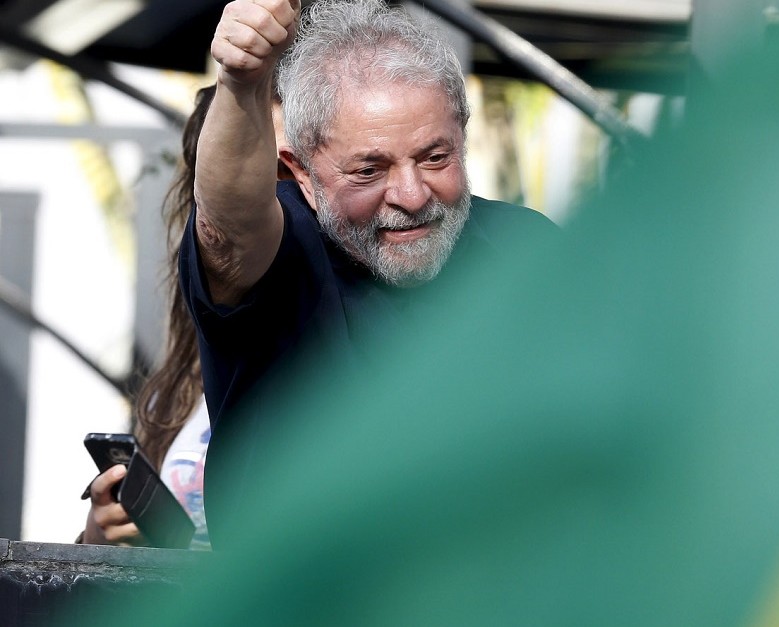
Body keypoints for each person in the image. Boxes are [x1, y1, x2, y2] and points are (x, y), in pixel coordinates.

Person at [184, 0, 556, 544]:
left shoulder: (525, 248)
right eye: (369, 169)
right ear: (300, 174)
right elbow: (229, 227)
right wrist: (242, 81)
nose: (410, 195)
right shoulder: (287, 255)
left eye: (435, 157)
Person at [81, 84, 291, 550]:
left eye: (283, 171)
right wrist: (98, 536)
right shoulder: (185, 378)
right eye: (248, 172)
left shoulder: (347, 342)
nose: (264, 197)